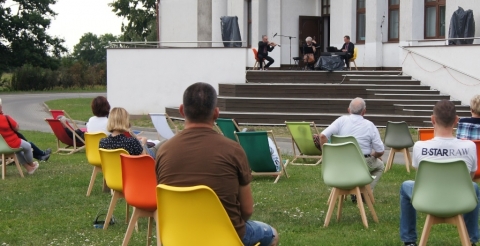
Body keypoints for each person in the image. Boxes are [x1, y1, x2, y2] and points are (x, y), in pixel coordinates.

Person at [156, 82, 278, 246]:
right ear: (216, 113)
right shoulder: (233, 150)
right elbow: (247, 210)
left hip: (177, 236)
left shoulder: (163, 151)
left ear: (182, 111)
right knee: (272, 235)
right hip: (225, 237)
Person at [400, 100, 479, 246]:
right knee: (474, 187)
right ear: (456, 120)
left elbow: (421, 176)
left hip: (427, 198)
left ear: (432, 119)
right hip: (460, 199)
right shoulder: (469, 146)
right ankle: (471, 239)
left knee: (406, 186)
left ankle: (409, 240)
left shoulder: (419, 146)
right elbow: (471, 177)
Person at [318, 97, 385, 201]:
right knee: (380, 166)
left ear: (349, 110)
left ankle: (356, 192)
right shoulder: (369, 125)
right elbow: (380, 151)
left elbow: (322, 136)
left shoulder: (341, 121)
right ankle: (364, 192)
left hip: (340, 163)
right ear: (364, 112)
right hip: (362, 163)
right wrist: (374, 156)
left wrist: (328, 156)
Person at [0, 100, 40, 174]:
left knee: (18, 152)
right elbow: (17, 128)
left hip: (1, 147)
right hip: (11, 142)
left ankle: (29, 168)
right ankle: (31, 164)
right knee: (28, 146)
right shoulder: (5, 118)